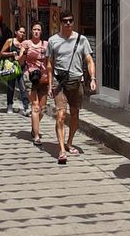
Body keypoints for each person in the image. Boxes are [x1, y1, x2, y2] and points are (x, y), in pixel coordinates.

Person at [47, 11, 97, 166]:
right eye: (65, 21)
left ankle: (69, 142)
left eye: (70, 20)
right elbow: (50, 64)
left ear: (73, 22)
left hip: (76, 82)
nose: (68, 23)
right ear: (60, 22)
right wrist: (49, 84)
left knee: (75, 114)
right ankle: (61, 150)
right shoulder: (53, 41)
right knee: (61, 115)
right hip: (60, 83)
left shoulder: (81, 40)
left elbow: (89, 60)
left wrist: (93, 79)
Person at [20, 22, 49, 146]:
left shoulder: (46, 44)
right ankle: (36, 136)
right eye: (34, 29)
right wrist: (25, 53)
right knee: (35, 106)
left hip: (43, 77)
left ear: (41, 31)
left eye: (38, 29)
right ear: (31, 31)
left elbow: (50, 62)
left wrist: (51, 79)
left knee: (43, 108)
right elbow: (20, 62)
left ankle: (34, 126)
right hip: (29, 77)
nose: (36, 31)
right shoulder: (26, 44)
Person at [0, 26, 31, 116]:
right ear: (16, 32)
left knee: (23, 88)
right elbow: (1, 53)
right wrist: (11, 53)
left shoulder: (25, 43)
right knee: (11, 87)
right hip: (11, 67)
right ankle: (9, 105)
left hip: (21, 68)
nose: (22, 34)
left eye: (24, 32)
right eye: (20, 32)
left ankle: (26, 107)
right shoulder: (10, 41)